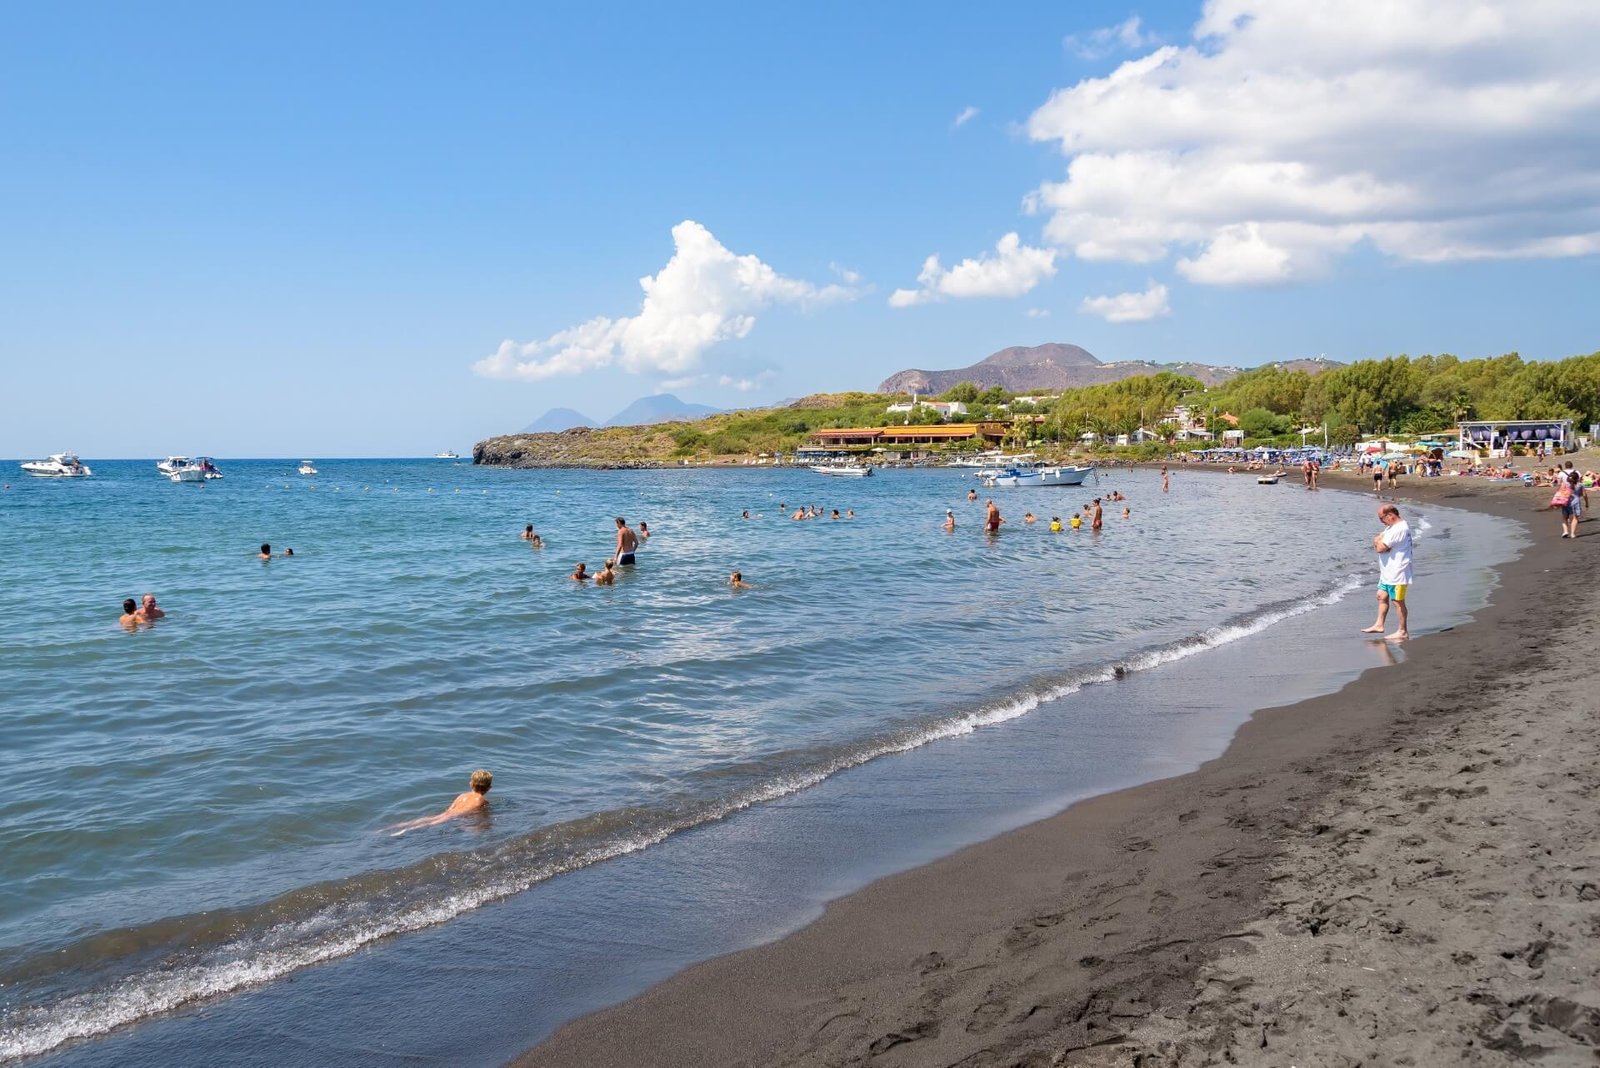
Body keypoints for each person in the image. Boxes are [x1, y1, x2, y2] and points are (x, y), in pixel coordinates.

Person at [1361, 503, 1413, 640]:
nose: (1381, 521)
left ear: (1390, 515)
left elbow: (1380, 547)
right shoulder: (1391, 527)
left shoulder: (1399, 529)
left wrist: (1380, 543)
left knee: (1397, 601)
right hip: (1387, 572)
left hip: (1398, 572)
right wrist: (1378, 541)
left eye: (1381, 518)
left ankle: (1403, 631)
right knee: (1381, 595)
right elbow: (1377, 539)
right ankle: (1379, 624)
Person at [385, 769, 493, 834]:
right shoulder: (483, 800)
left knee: (430, 819)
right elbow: (481, 814)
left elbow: (451, 808)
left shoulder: (462, 795)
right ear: (489, 787)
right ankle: (408, 830)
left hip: (449, 812)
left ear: (471, 784)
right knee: (434, 823)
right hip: (456, 816)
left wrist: (449, 813)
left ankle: (399, 826)